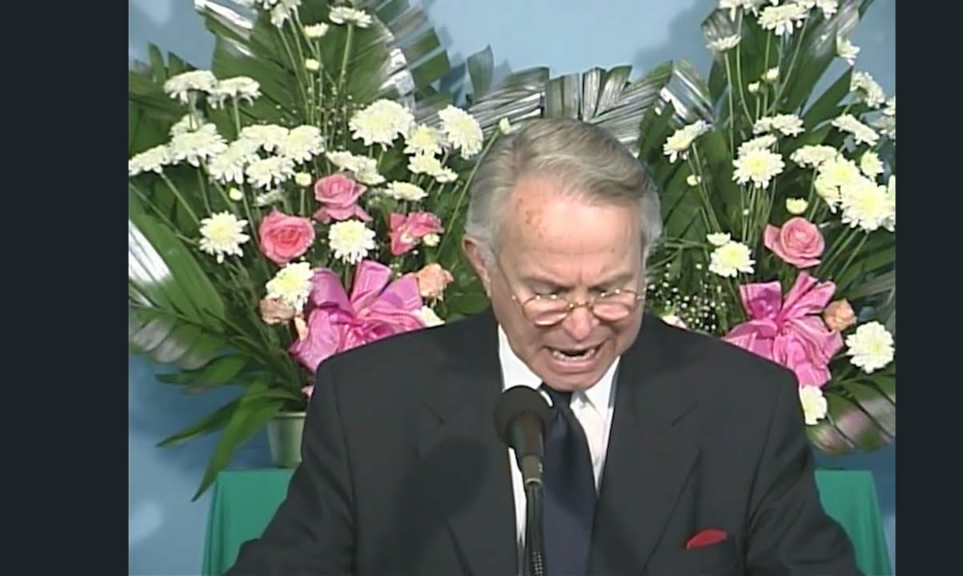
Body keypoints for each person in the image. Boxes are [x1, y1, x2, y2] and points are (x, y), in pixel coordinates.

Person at [226, 118, 862, 575]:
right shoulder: (369, 401)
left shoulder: (745, 405)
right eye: (548, 293)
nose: (581, 327)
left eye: (612, 290)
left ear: (645, 262)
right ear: (482, 265)